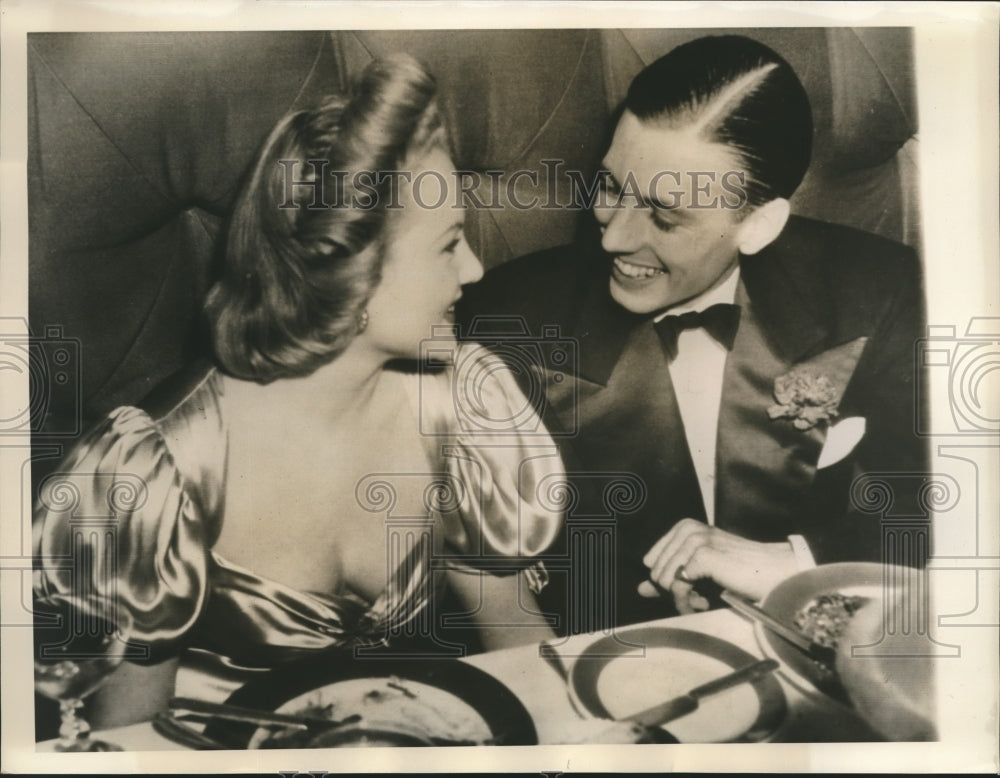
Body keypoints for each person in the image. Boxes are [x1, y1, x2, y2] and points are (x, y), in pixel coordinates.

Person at [32, 54, 562, 729]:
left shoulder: (461, 409)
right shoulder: (160, 470)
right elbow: (129, 736)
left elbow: (521, 649)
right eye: (449, 244)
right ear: (352, 277)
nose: (476, 269)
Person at [457, 35, 928, 630]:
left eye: (665, 215)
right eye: (610, 189)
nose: (613, 238)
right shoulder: (506, 319)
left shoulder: (882, 292)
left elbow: (951, 499)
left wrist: (793, 562)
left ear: (757, 225)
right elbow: (498, 561)